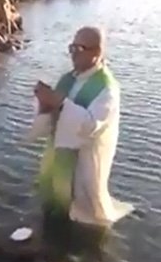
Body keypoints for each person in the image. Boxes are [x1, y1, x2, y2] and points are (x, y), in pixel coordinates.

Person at [29, 26, 133, 225]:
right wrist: (44, 102)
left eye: (79, 49)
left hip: (84, 164)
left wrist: (58, 103)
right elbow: (51, 115)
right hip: (59, 157)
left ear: (97, 52)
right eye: (72, 48)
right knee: (54, 209)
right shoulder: (68, 79)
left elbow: (90, 125)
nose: (73, 54)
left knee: (84, 219)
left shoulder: (106, 89)